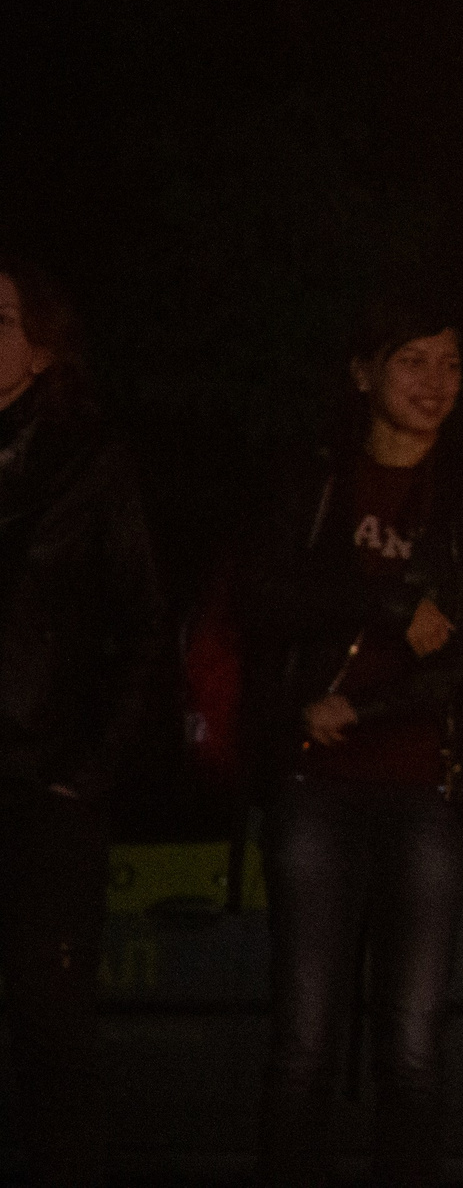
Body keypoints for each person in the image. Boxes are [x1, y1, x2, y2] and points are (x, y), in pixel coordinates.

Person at [244, 298, 463, 1188]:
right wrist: (380, 604)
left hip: (429, 784)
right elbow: (262, 590)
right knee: (303, 1036)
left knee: (411, 1042)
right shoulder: (316, 479)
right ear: (364, 371)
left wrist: (372, 711)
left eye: (450, 362)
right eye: (413, 360)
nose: (435, 382)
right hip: (315, 784)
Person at [0, 255, 167, 1188]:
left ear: (43, 346)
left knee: (51, 1034)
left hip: (39, 786)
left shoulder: (88, 462)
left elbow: (145, 629)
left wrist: (87, 772)